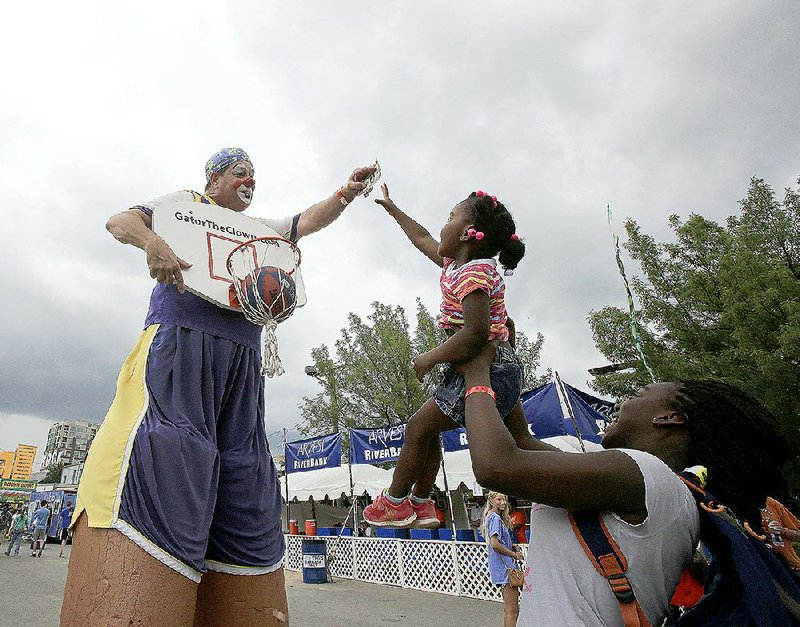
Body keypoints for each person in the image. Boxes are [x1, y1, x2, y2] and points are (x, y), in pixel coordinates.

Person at [61, 148, 375, 627]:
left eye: (254, 173)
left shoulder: (258, 233)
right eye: (239, 171)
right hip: (181, 351)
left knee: (247, 481)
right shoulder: (185, 205)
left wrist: (346, 194)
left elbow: (305, 221)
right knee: (162, 452)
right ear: (214, 177)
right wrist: (151, 243)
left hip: (242, 371)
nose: (250, 180)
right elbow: (119, 220)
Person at [455, 343, 788, 626]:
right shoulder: (652, 487)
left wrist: (476, 372)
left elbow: (495, 466)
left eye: (637, 395)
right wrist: (504, 358)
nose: (619, 404)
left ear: (669, 418)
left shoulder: (645, 474)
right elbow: (519, 441)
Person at [363, 185, 527, 528]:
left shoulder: (473, 273)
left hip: (485, 368)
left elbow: (475, 333)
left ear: (469, 234)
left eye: (450, 217)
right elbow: (422, 237)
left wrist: (429, 358)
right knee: (520, 441)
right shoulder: (456, 265)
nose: (443, 224)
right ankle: (421, 504)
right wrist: (394, 210)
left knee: (418, 427)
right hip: (492, 364)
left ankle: (395, 501)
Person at [481, 491, 524, 627]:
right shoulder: (495, 518)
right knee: (513, 611)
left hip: (501, 567)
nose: (503, 502)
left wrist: (511, 546)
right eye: (499, 499)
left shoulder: (490, 517)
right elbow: (495, 544)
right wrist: (513, 554)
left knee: (509, 610)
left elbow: (496, 542)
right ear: (492, 500)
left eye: (504, 499)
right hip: (506, 568)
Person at [762, 496, 800, 575]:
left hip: (793, 567)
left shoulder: (771, 503)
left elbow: (797, 532)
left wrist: (784, 531)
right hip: (765, 563)